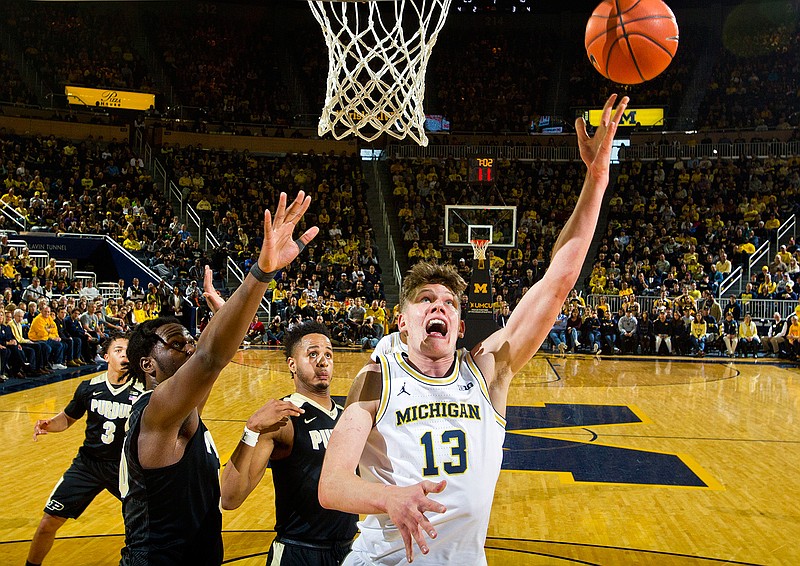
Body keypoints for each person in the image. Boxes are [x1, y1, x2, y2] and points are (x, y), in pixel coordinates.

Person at [318, 94, 629, 565]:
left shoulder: (486, 370)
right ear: (402, 321)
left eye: (448, 302)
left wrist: (597, 179)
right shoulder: (378, 378)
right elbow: (331, 485)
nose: (436, 306)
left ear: (461, 325)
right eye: (424, 300)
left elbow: (558, 280)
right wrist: (389, 499)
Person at [118, 192, 317, 565]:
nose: (189, 348)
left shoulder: (182, 412)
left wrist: (223, 319)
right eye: (177, 344)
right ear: (147, 364)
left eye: (190, 340)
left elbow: (209, 355)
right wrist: (261, 273)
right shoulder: (156, 409)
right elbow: (210, 359)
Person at [220, 321, 358, 565]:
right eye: (312, 354)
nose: (323, 361)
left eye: (328, 354)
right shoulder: (282, 419)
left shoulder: (348, 416)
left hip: (348, 550)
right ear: (292, 365)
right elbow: (230, 497)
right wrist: (251, 429)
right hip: (299, 551)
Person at [27, 335, 137, 566]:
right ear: (106, 357)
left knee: (145, 525)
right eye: (118, 350)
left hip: (124, 469)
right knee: (48, 521)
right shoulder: (89, 387)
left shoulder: (143, 390)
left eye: (129, 350)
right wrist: (49, 424)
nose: (125, 354)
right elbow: (67, 419)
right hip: (88, 465)